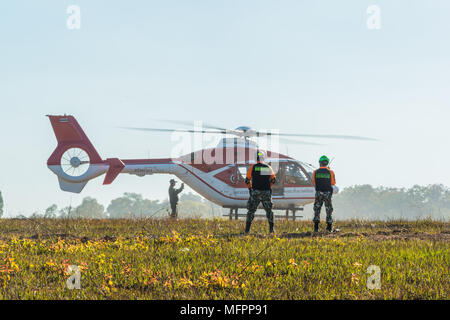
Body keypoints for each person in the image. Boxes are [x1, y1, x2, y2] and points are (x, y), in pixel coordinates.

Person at [244, 150, 277, 234]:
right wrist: (268, 187)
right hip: (266, 192)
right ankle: (271, 230)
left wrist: (250, 189)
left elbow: (247, 180)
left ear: (256, 158)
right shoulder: (268, 167)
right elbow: (273, 180)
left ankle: (247, 230)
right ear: (263, 157)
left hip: (255, 192)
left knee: (251, 210)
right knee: (269, 211)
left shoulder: (252, 167)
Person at [312, 155, 336, 232]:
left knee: (317, 209)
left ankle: (316, 227)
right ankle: (329, 227)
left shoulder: (315, 172)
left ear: (320, 163)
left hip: (318, 192)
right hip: (327, 193)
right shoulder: (331, 172)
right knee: (328, 209)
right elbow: (333, 183)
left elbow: (314, 183)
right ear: (327, 163)